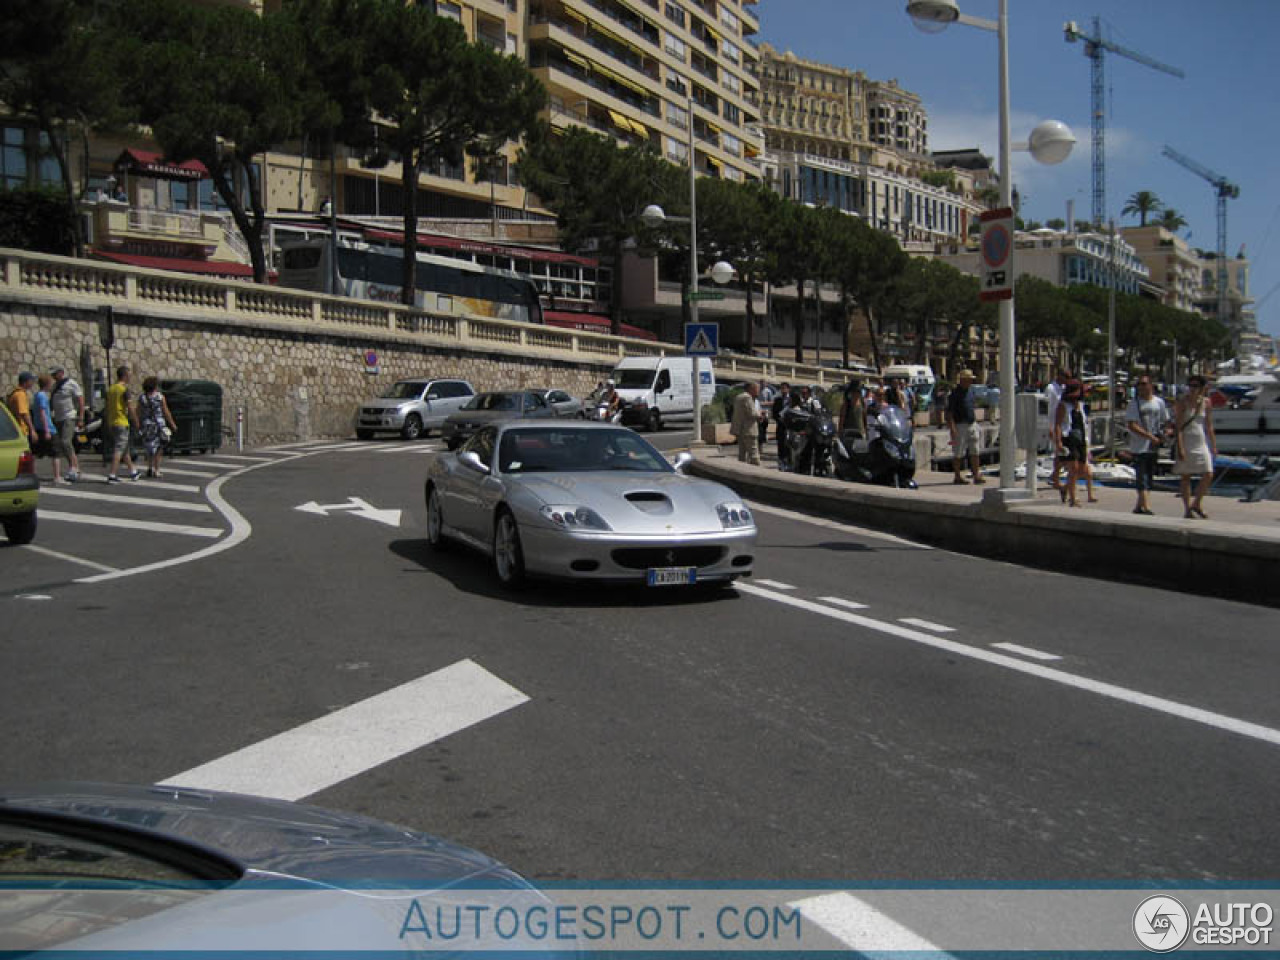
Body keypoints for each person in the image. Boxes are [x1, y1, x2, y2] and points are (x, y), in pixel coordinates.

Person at [1173, 374, 1216, 519]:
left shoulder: (1206, 403)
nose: (1192, 389)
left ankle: (1197, 503)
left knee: (1208, 473)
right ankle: (1187, 509)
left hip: (1200, 441)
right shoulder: (1182, 402)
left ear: (1202, 388)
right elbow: (1178, 427)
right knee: (1186, 476)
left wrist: (1213, 445)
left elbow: (1209, 426)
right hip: (1186, 440)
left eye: (1195, 386)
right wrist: (1180, 447)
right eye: (1190, 386)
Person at [1125, 375, 1169, 516]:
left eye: (1144, 384)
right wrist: (1149, 436)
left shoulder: (1159, 402)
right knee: (1141, 475)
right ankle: (1146, 506)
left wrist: (1166, 433)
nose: (1141, 387)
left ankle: (1139, 506)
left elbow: (1165, 420)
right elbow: (1132, 425)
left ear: (1151, 385)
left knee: (1149, 475)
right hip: (1139, 445)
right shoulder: (1134, 404)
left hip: (1154, 445)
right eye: (1139, 384)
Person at [945, 369, 984, 485]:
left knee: (975, 450)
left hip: (972, 424)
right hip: (960, 425)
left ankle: (976, 475)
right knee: (958, 452)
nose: (971, 382)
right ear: (962, 380)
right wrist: (952, 428)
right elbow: (949, 413)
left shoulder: (971, 391)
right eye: (969, 380)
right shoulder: (954, 394)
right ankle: (957, 476)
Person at [1054, 379, 1089, 507]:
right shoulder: (1063, 405)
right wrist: (1058, 442)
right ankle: (1073, 499)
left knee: (1081, 470)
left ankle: (1065, 488)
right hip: (1068, 438)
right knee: (1073, 468)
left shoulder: (1081, 404)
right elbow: (1057, 424)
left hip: (1081, 439)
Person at [105, 365, 141, 483]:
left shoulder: (111, 389)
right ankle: (112, 474)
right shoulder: (124, 390)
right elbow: (130, 408)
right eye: (129, 375)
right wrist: (136, 421)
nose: (130, 377)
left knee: (124, 449)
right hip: (122, 421)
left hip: (112, 422)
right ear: (125, 376)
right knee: (119, 449)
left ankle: (133, 472)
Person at [49, 365, 86, 483]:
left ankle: (75, 468)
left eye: (55, 373)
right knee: (63, 445)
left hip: (68, 417)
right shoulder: (55, 386)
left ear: (61, 372)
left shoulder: (71, 383)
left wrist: (81, 417)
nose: (53, 376)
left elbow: (80, 400)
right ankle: (73, 468)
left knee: (66, 441)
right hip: (58, 418)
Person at [137, 376, 178, 478]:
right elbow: (166, 411)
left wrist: (138, 423)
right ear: (155, 386)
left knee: (149, 447)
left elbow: (138, 411)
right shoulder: (160, 397)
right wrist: (172, 424)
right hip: (159, 424)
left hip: (147, 425)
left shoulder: (142, 398)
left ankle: (149, 467)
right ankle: (157, 469)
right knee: (159, 448)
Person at [1044, 367, 1071, 491]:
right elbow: (1048, 409)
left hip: (1065, 425)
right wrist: (1050, 426)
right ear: (1059, 375)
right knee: (1059, 453)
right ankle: (1055, 478)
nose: (1068, 380)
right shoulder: (1051, 389)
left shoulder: (1065, 389)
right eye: (1066, 377)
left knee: (1061, 453)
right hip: (1055, 424)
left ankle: (1055, 476)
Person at [32, 374, 61, 482]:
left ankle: (32, 474)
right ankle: (57, 476)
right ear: (47, 384)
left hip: (39, 427)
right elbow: (42, 413)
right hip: (47, 428)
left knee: (37, 452)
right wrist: (47, 430)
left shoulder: (36, 395)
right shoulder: (42, 396)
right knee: (55, 453)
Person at [730, 382, 764, 466]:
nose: (758, 391)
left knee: (742, 455)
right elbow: (751, 413)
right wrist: (760, 414)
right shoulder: (747, 397)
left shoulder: (739, 397)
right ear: (751, 389)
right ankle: (757, 473)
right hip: (749, 430)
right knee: (754, 455)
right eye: (757, 389)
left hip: (740, 430)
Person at [6, 371, 36, 443]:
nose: (32, 383)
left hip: (15, 429)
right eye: (31, 381)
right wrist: (32, 430)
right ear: (26, 381)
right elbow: (24, 413)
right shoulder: (20, 395)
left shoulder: (14, 393)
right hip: (21, 430)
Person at [771, 382, 791, 469]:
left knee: (790, 445)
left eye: (785, 388)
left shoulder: (792, 399)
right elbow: (774, 413)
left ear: (788, 389)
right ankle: (781, 462)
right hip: (780, 426)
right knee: (781, 445)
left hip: (791, 427)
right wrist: (778, 419)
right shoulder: (777, 400)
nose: (783, 390)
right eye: (782, 388)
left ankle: (790, 462)